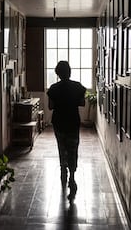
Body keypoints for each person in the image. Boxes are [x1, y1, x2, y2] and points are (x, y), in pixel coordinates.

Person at [47, 61, 86, 200]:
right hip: (73, 122)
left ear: (57, 73)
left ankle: (63, 169)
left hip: (59, 123)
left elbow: (51, 107)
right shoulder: (78, 87)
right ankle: (72, 176)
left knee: (62, 148)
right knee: (73, 149)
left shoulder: (53, 88)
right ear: (70, 72)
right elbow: (82, 103)